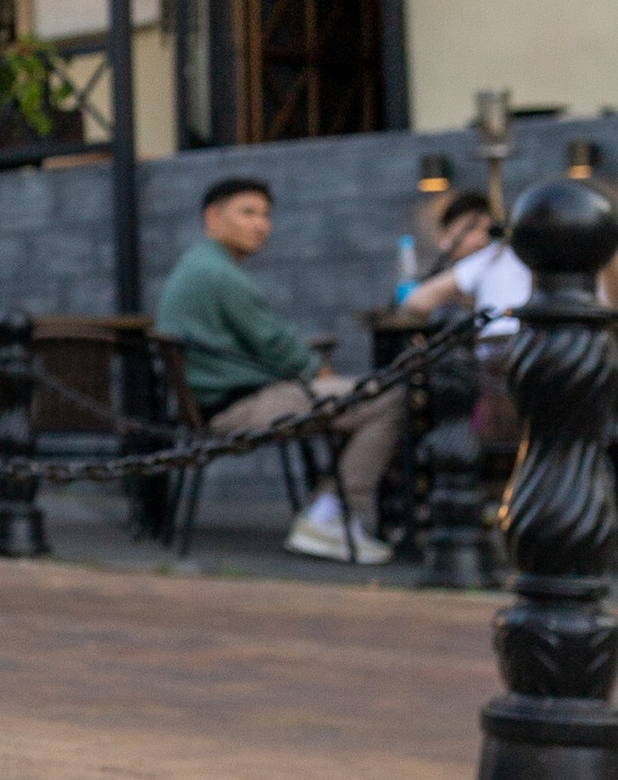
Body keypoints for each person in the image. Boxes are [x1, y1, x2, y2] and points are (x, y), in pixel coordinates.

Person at [155, 177, 405, 564]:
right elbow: (281, 349)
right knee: (387, 398)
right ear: (213, 217)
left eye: (266, 215)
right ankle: (330, 515)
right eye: (248, 213)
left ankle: (331, 511)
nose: (260, 224)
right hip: (238, 406)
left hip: (222, 400)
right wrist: (320, 374)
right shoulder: (219, 274)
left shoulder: (199, 265)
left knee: (363, 395)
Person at [400, 189, 529, 338]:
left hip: (499, 349)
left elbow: (415, 302)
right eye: (471, 229)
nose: (481, 239)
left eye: (488, 230)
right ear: (445, 235)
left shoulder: (492, 255)